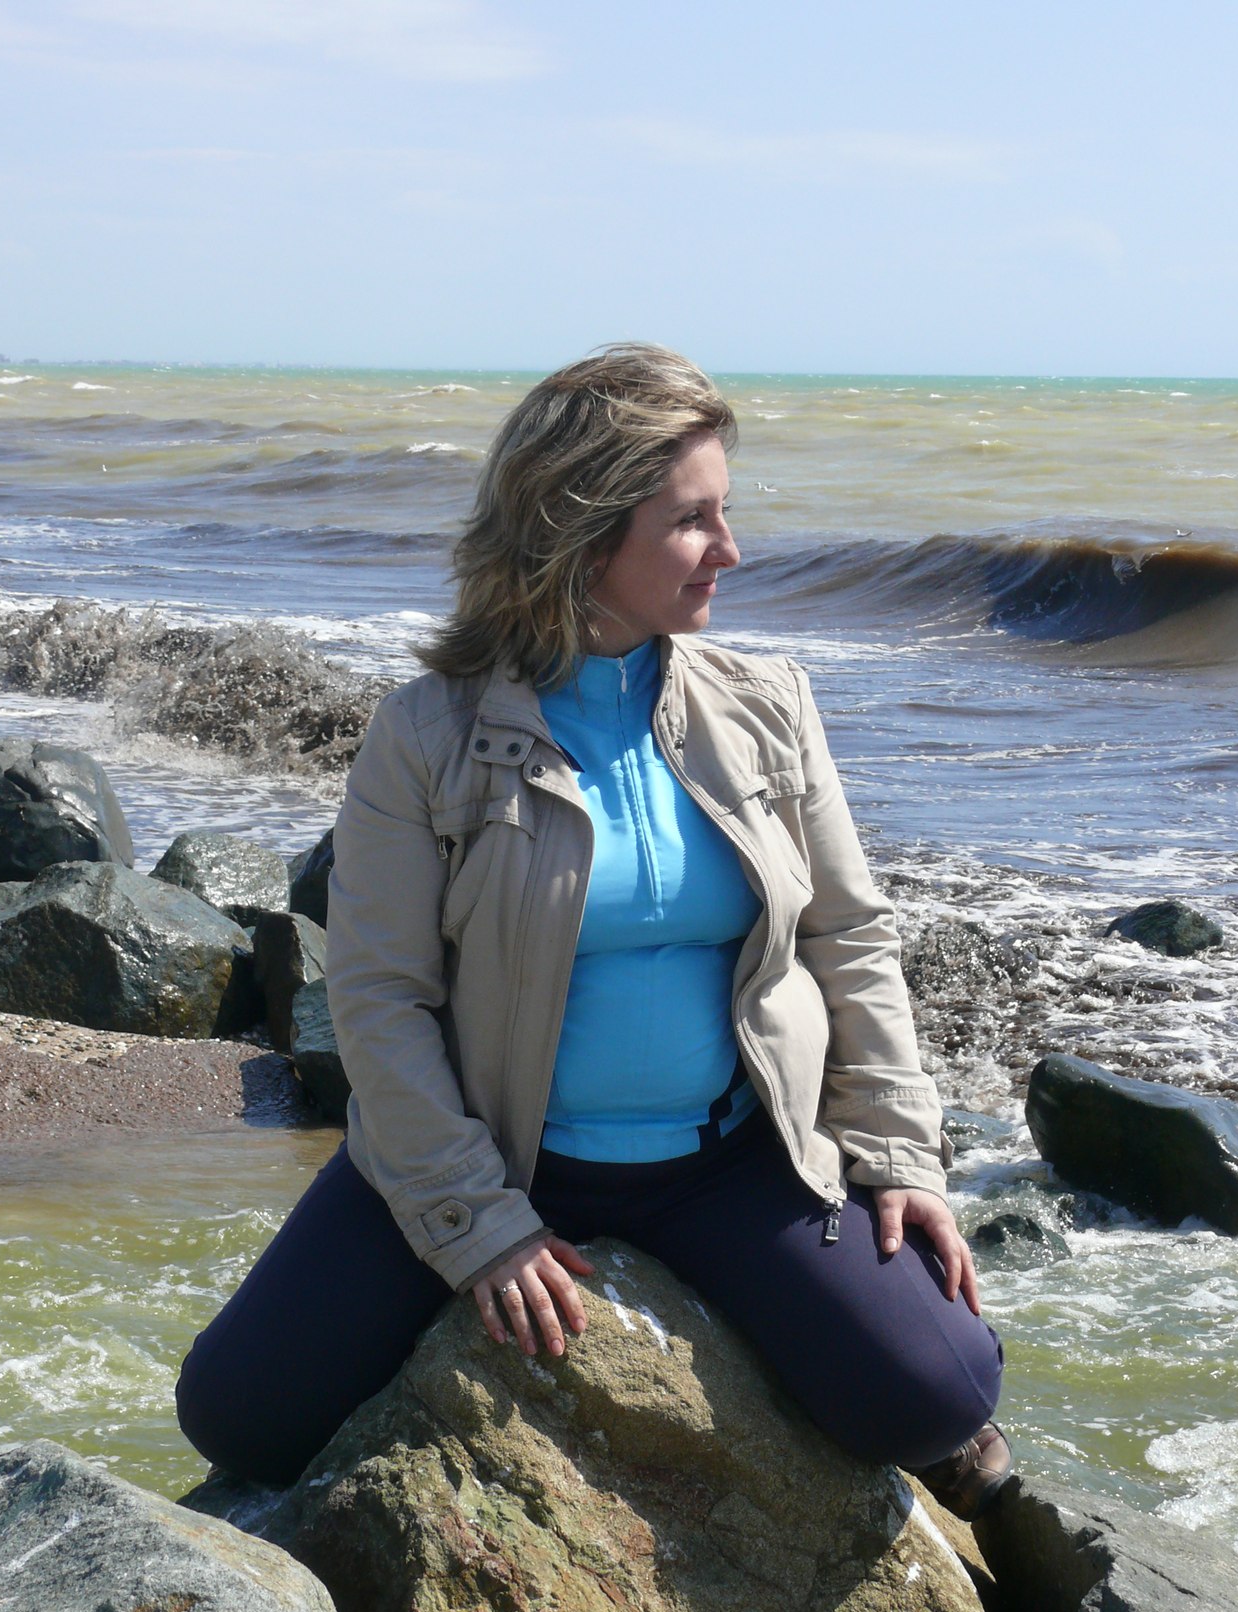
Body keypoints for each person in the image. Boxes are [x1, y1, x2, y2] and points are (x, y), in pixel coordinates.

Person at [176, 344, 1010, 1518]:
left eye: (724, 512)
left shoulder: (767, 704)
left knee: (941, 1391)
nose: (730, 549)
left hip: (729, 1162)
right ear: (578, 534)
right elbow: (380, 998)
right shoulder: (425, 736)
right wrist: (478, 1226)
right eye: (692, 521)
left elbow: (850, 938)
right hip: (503, 1149)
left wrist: (896, 1153)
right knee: (240, 1414)